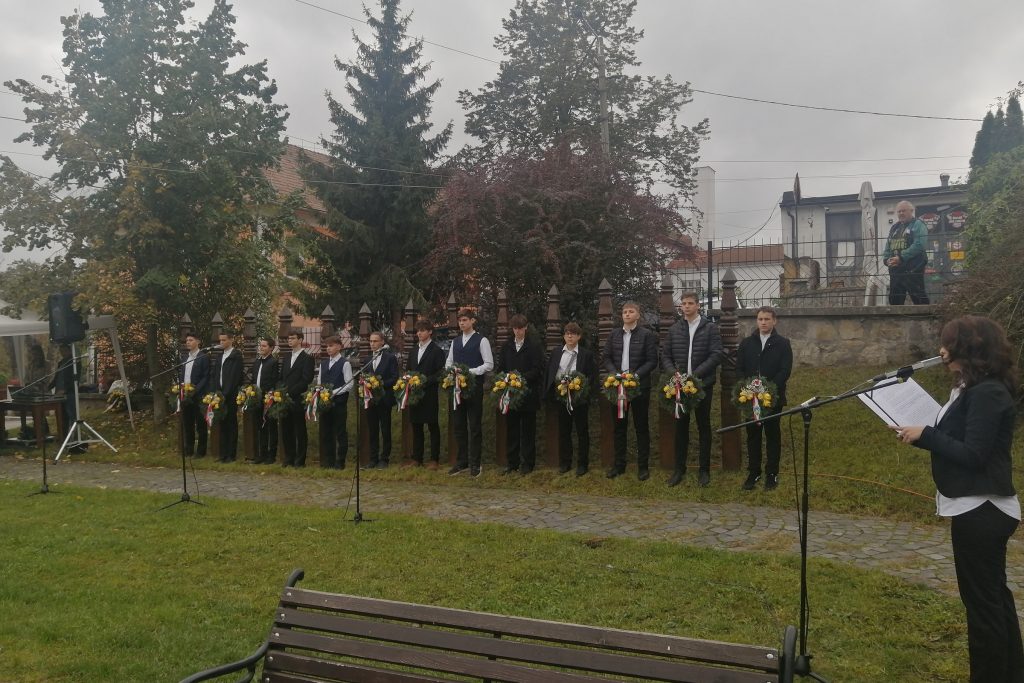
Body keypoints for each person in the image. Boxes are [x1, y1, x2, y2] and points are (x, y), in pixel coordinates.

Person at [893, 315, 1022, 682]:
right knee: (994, 599)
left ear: (968, 347)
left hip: (982, 511)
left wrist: (928, 436)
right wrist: (918, 434)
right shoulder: (972, 388)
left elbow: (974, 454)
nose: (941, 349)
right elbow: (956, 443)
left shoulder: (988, 393)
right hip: (976, 508)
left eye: (947, 342)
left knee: (984, 608)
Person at [661, 292, 724, 487]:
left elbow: (716, 354)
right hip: (679, 385)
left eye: (690, 303)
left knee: (703, 426)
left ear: (698, 306)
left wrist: (695, 375)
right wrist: (674, 373)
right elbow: (665, 356)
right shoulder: (674, 329)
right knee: (681, 428)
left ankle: (704, 471)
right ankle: (679, 469)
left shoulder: (710, 328)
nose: (686, 307)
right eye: (683, 304)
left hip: (702, 384)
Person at [735, 306, 792, 491]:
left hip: (772, 397)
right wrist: (749, 388)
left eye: (767, 319)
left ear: (774, 321)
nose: (763, 322)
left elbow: (785, 370)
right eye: (760, 319)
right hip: (750, 397)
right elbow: (739, 368)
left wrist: (768, 389)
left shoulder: (783, 343)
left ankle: (772, 473)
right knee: (753, 435)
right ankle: (754, 472)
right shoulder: (747, 343)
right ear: (756, 321)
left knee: (772, 434)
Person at [602, 301, 659, 481]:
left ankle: (643, 467)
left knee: (641, 427)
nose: (627, 314)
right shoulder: (614, 335)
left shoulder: (647, 335)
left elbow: (652, 360)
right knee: (619, 427)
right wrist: (615, 375)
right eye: (625, 312)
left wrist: (634, 376)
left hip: (639, 387)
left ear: (638, 315)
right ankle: (619, 465)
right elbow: (606, 357)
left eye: (631, 311)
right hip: (617, 387)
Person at [545, 322, 598, 476]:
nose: (570, 336)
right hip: (561, 397)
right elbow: (550, 372)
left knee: (582, 431)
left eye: (573, 334)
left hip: (579, 399)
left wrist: (583, 391)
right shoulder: (556, 353)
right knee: (564, 431)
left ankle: (582, 464)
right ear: (564, 336)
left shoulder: (586, 354)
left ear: (579, 337)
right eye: (567, 333)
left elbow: (592, 376)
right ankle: (565, 463)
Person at [446, 308, 493, 477]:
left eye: (465, 320)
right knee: (459, 426)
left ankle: (475, 463)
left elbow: (489, 364)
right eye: (460, 320)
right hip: (457, 389)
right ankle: (462, 461)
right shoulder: (455, 342)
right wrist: (453, 371)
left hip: (474, 388)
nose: (462, 323)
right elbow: (449, 362)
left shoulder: (482, 340)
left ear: (473, 321)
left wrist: (469, 372)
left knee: (474, 426)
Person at [497, 314, 545, 475]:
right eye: (515, 328)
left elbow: (538, 369)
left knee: (528, 431)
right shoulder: (506, 346)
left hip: (528, 394)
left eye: (520, 328)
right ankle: (512, 463)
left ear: (526, 328)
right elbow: (501, 368)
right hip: (510, 394)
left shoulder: (534, 346)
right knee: (512, 430)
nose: (518, 331)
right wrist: (507, 380)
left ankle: (528, 463)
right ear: (512, 329)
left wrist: (521, 378)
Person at [405, 319, 445, 468]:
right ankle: (417, 458)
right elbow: (409, 369)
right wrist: (409, 380)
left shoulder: (437, 351)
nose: (419, 333)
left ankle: (434, 459)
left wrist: (424, 381)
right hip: (415, 394)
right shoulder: (414, 350)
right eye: (418, 331)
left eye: (422, 330)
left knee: (432, 425)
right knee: (416, 426)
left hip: (429, 393)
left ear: (430, 332)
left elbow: (440, 373)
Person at [362, 331, 399, 469]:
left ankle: (385, 458)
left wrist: (379, 384)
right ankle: (373, 458)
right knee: (372, 429)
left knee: (385, 428)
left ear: (382, 342)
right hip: (371, 400)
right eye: (371, 341)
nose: (372, 344)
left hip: (384, 399)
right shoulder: (367, 360)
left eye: (375, 341)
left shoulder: (390, 358)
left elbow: (394, 377)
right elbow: (364, 377)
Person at [883, 200, 930, 305]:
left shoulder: (918, 224)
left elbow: (919, 244)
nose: (901, 213)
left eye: (903, 211)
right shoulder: (894, 227)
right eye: (899, 211)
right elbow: (888, 245)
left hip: (913, 268)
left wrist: (901, 257)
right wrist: (886, 260)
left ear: (911, 211)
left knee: (919, 298)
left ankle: (925, 319)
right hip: (895, 269)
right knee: (894, 301)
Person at [280, 328, 315, 467]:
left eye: (293, 338)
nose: (290, 340)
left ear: (300, 340)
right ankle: (289, 457)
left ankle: (300, 460)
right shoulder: (286, 357)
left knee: (299, 429)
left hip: (297, 398)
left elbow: (306, 379)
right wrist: (281, 392)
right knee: (286, 429)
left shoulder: (307, 358)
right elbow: (282, 376)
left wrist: (291, 392)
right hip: (284, 399)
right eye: (289, 338)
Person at [318, 335, 352, 469]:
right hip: (325, 404)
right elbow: (320, 381)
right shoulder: (323, 364)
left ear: (339, 346)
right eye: (327, 346)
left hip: (339, 403)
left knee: (340, 432)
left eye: (331, 346)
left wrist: (334, 392)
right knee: (326, 432)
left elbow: (349, 384)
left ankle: (340, 461)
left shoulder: (345, 363)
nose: (328, 348)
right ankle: (329, 460)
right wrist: (321, 393)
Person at [213, 331, 243, 463]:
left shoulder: (236, 356)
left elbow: (235, 377)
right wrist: (217, 392)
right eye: (220, 340)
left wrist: (226, 392)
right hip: (220, 395)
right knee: (222, 423)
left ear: (231, 340)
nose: (221, 343)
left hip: (230, 395)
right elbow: (216, 375)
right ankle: (222, 453)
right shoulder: (220, 357)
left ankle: (231, 454)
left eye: (224, 340)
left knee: (231, 423)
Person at [179, 332, 210, 458]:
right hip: (185, 395)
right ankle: (189, 449)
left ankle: (201, 451)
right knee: (187, 423)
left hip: (198, 395)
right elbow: (182, 375)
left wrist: (195, 390)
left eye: (191, 340)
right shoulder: (184, 358)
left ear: (198, 342)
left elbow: (205, 376)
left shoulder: (203, 357)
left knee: (201, 424)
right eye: (187, 340)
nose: (188, 342)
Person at [250, 336, 280, 464]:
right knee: (259, 427)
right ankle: (260, 455)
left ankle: (271, 456)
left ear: (271, 348)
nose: (261, 348)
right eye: (260, 345)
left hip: (269, 398)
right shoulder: (257, 362)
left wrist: (270, 394)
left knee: (270, 427)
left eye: (264, 346)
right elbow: (254, 379)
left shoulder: (273, 362)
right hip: (257, 398)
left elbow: (274, 381)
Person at [50, 344, 77, 438]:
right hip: (59, 394)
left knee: (71, 415)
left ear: (69, 350)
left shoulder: (74, 362)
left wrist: (65, 390)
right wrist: (48, 387)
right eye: (61, 351)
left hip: (70, 393)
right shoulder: (61, 363)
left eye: (64, 350)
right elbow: (56, 378)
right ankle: (63, 436)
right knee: (62, 416)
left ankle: (74, 436)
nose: (62, 353)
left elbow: (74, 379)